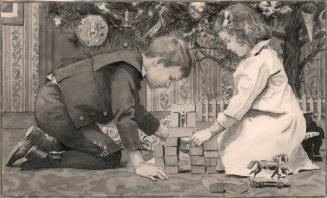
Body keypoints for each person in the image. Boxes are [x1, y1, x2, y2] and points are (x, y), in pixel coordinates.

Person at [7, 36, 192, 181]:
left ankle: (41, 140)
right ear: (159, 62)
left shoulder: (130, 65)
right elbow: (125, 114)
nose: (168, 85)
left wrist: (168, 134)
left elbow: (136, 110)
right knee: (109, 155)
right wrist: (139, 163)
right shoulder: (127, 71)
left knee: (94, 144)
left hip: (60, 107)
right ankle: (44, 155)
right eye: (171, 79)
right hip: (57, 110)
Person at [192, 4, 318, 176]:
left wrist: (210, 131)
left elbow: (240, 104)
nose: (227, 47)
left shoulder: (260, 61)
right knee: (230, 137)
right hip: (268, 116)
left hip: (280, 121)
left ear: (244, 35)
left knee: (237, 149)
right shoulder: (256, 55)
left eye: (228, 41)